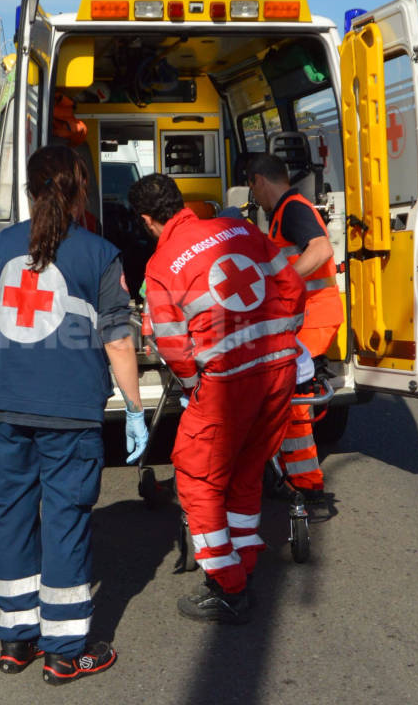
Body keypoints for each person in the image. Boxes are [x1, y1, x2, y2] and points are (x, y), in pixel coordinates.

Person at [0, 145, 148, 685]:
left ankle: (15, 640)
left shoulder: (4, 247)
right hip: (72, 415)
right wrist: (134, 408)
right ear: (80, 188)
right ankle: (64, 650)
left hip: (8, 409)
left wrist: (12, 351)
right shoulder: (100, 254)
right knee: (65, 520)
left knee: (13, 513)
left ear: (32, 191)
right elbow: (119, 340)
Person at [128, 173, 305, 624]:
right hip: (279, 369)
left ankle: (228, 584)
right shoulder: (243, 230)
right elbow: (293, 287)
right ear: (181, 202)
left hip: (228, 382)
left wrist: (193, 384)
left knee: (195, 478)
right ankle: (245, 558)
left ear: (148, 220)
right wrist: (283, 341)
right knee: (247, 470)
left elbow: (169, 341)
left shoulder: (163, 262)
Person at [247, 153, 344, 497]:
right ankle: (288, 469)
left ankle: (305, 482)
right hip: (306, 316)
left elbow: (320, 249)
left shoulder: (293, 209)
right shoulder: (284, 212)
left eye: (252, 187)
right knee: (283, 392)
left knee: (292, 396)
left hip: (315, 318)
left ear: (259, 180)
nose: (253, 196)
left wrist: (279, 280)